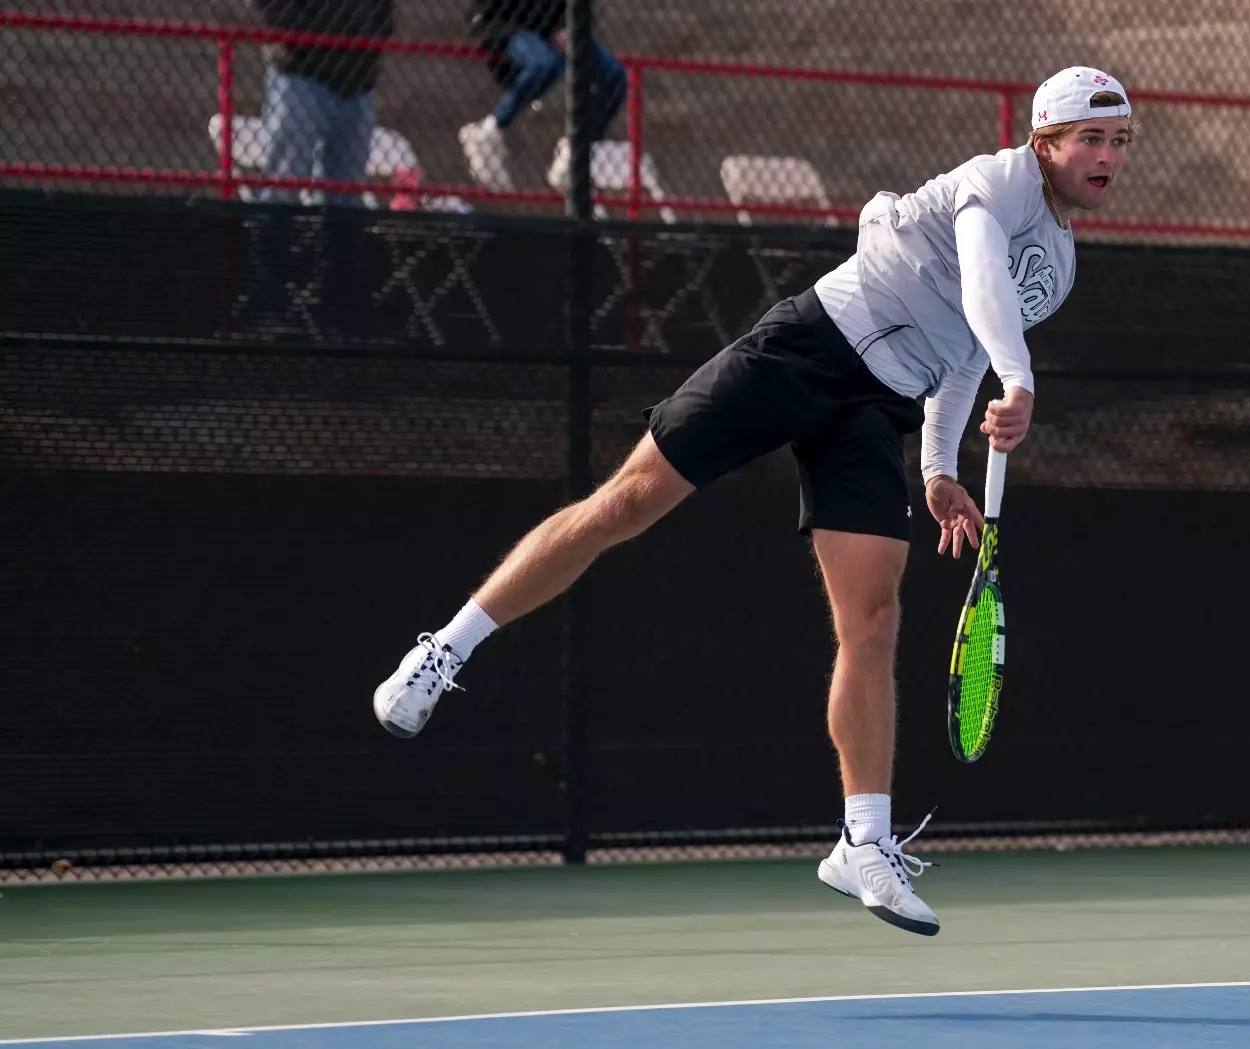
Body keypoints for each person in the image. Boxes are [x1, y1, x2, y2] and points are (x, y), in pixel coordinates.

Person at [376, 67, 1137, 936]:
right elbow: (977, 286)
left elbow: (965, 347)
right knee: (626, 504)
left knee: (875, 618)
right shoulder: (993, 181)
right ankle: (445, 649)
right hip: (805, 347)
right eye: (1090, 138)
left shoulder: (1061, 264)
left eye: (1118, 142)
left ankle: (863, 841)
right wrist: (1022, 374)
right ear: (1044, 143)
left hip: (874, 413)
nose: (1107, 156)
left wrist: (935, 465)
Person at [459, 0, 630, 190]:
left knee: (615, 76)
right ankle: (489, 130)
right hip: (508, 24)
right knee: (544, 64)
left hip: (551, 25)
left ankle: (576, 151)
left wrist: (566, 26)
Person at [252, 0, 394, 206]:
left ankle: (337, 238)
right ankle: (270, 236)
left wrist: (373, 40)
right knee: (284, 181)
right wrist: (304, 35)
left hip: (356, 75)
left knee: (347, 190)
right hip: (300, 69)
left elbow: (384, 9)